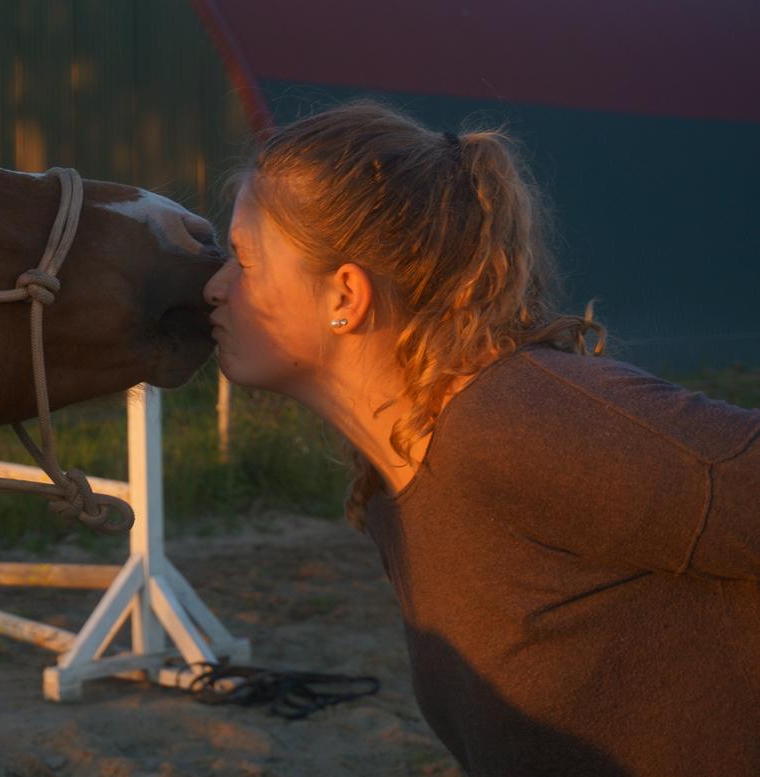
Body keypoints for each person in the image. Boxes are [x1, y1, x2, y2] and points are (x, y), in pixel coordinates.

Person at [202, 100, 760, 777]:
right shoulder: (393, 486)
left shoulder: (509, 421)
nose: (215, 286)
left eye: (244, 260)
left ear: (345, 296)